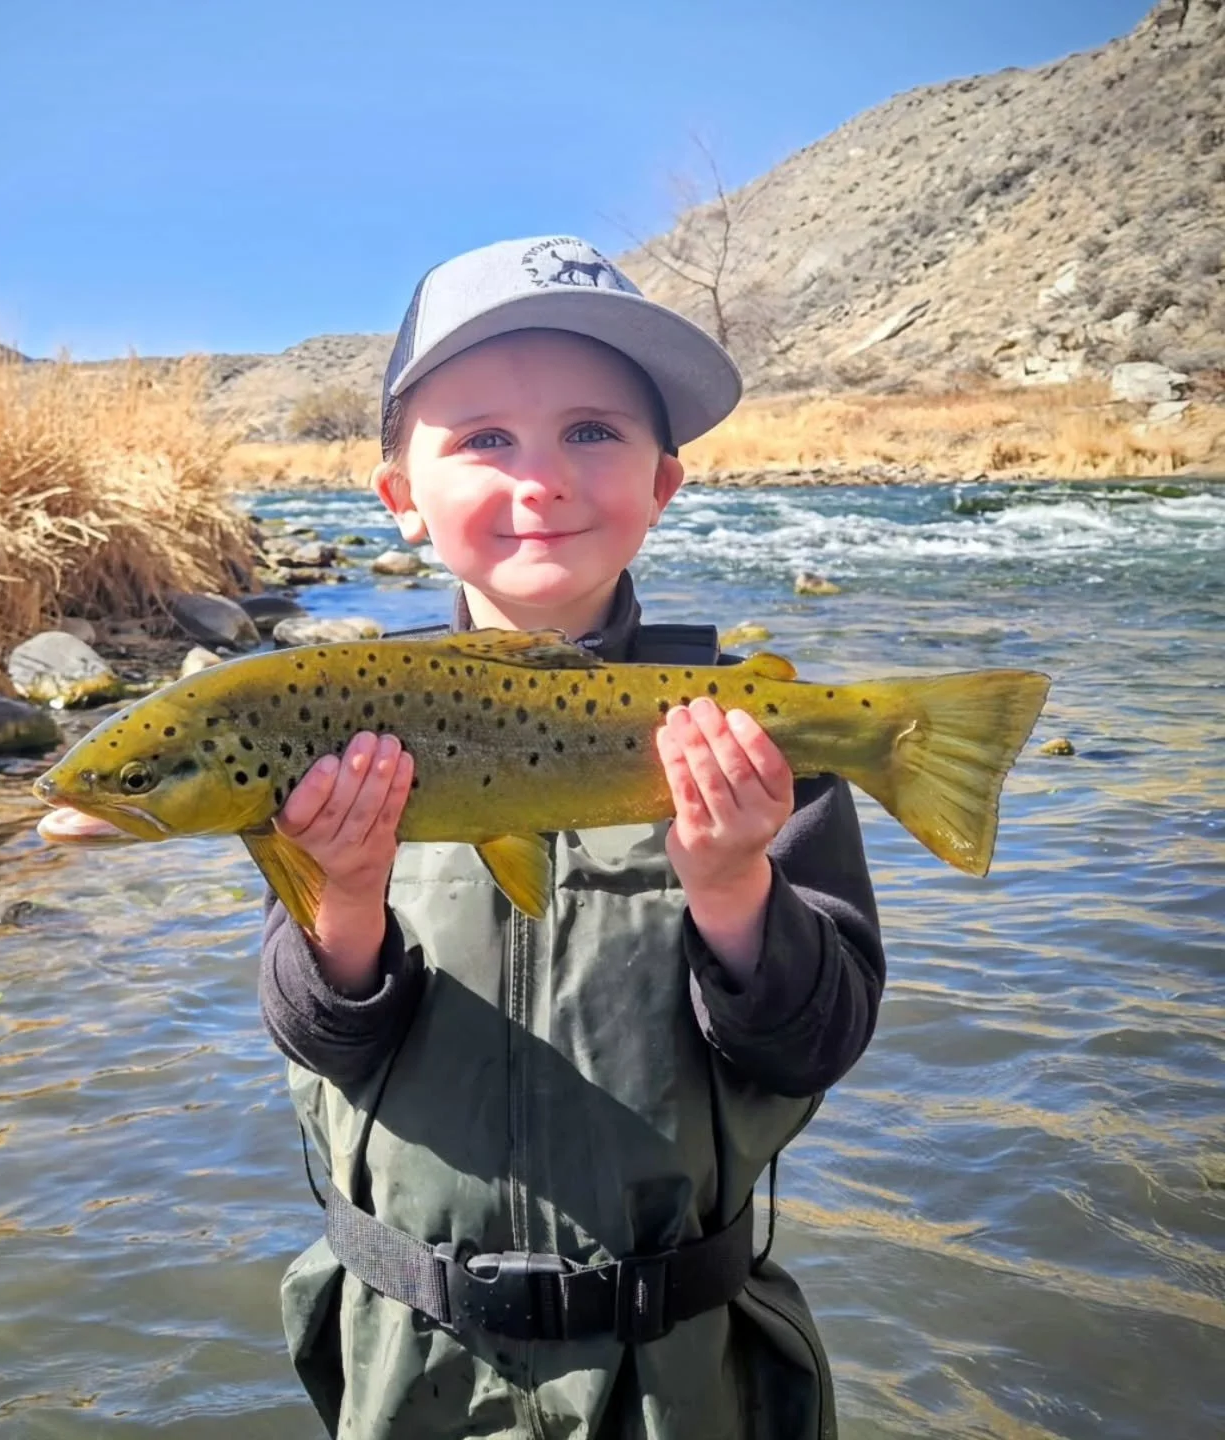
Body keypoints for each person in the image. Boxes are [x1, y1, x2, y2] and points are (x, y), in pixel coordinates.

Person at [259, 235, 884, 1440]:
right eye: (484, 439)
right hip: (413, 1362)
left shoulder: (748, 734)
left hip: (689, 1374)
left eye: (592, 432)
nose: (539, 478)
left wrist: (735, 888)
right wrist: (340, 902)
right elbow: (315, 1038)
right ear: (399, 497)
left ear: (664, 483)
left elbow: (819, 1041)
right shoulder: (331, 724)